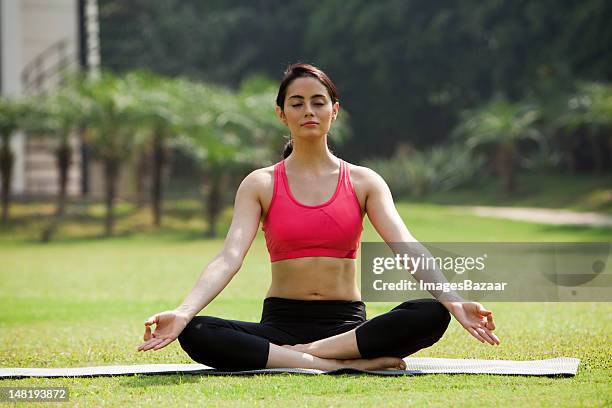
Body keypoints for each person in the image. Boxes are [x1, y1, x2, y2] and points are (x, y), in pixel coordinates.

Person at [137, 63, 500, 371]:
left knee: (432, 314)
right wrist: (184, 313)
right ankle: (337, 365)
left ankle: (297, 359)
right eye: (297, 103)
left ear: (334, 110)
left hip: (347, 328)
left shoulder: (364, 181)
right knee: (197, 332)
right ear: (282, 113)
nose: (308, 110)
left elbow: (406, 247)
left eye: (317, 102)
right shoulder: (260, 183)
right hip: (280, 324)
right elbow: (229, 258)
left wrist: (454, 302)